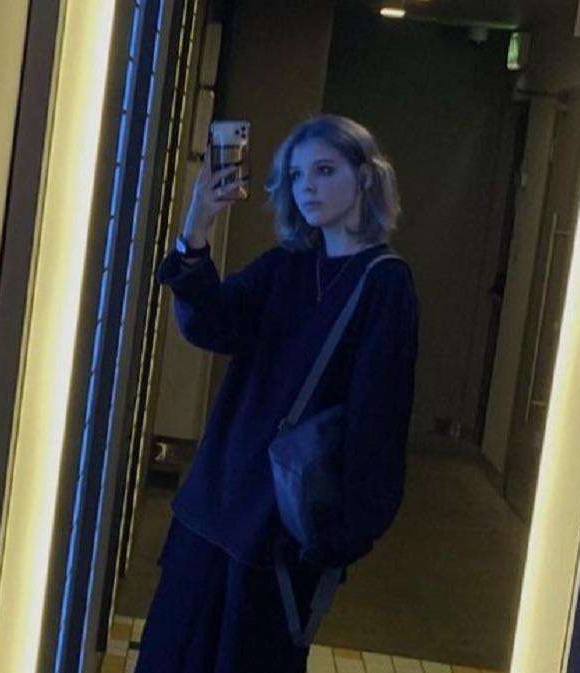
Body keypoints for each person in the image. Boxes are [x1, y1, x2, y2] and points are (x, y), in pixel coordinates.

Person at [135, 114, 419, 673]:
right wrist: (196, 228)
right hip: (213, 505)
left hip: (281, 534)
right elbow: (210, 324)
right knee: (169, 656)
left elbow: (377, 426)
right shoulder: (287, 266)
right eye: (295, 175)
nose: (307, 186)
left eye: (324, 170)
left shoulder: (384, 283)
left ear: (365, 176)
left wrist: (338, 539)